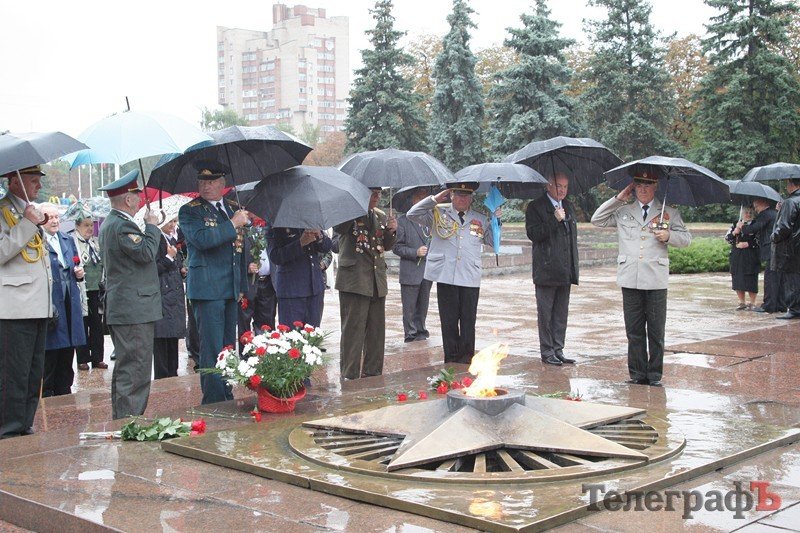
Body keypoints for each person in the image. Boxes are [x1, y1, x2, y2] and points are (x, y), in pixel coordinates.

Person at [591, 172, 691, 386]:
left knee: (656, 331)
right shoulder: (623, 212)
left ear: (656, 186)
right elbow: (596, 219)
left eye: (648, 184)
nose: (643, 189)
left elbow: (686, 239)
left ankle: (654, 375)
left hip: (655, 279)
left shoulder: (668, 213)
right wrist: (619, 197)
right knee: (634, 330)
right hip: (630, 278)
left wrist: (669, 236)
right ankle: (637, 373)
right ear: (633, 187)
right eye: (639, 184)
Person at [178, 161, 249, 403]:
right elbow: (203, 240)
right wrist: (232, 224)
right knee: (211, 348)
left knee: (228, 346)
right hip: (207, 289)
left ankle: (226, 392)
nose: (206, 186)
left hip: (230, 289)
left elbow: (239, 250)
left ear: (222, 184)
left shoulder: (231, 208)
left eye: (211, 182)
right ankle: (213, 399)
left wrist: (242, 287)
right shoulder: (190, 211)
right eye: (202, 182)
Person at [407, 183, 497, 364]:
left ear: (471, 197)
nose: (462, 199)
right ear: (451, 195)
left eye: (466, 195)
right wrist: (434, 199)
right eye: (458, 195)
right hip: (446, 274)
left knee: (468, 321)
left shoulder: (480, 218)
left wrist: (497, 222)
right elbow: (412, 214)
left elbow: (494, 243)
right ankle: (451, 359)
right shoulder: (438, 214)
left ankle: (467, 359)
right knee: (448, 321)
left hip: (469, 275)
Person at [98, 170, 162, 419]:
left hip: (129, 307)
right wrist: (152, 227)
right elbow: (146, 253)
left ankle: (125, 418)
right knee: (136, 368)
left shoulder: (113, 223)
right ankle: (129, 421)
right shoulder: (122, 225)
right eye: (136, 195)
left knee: (130, 367)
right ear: (128, 200)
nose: (140, 200)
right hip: (133, 308)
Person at [0, 166, 52, 438]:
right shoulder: (3, 211)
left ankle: (24, 424)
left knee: (33, 374)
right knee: (13, 375)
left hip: (37, 304)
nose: (38, 186)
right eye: (33, 181)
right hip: (14, 307)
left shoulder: (31, 210)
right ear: (13, 182)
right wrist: (28, 223)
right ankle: (8, 429)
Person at [333, 188, 397, 380]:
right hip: (354, 280)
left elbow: (384, 245)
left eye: (379, 194)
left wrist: (392, 231)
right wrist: (356, 207)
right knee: (353, 331)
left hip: (376, 280)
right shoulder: (347, 212)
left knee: (376, 332)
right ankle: (350, 374)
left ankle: (373, 372)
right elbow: (339, 229)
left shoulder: (379, 215)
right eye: (373, 194)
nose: (377, 198)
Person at [525, 173, 579, 366]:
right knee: (546, 314)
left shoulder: (568, 206)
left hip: (565, 270)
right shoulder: (536, 207)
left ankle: (558, 349)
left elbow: (570, 239)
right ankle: (547, 351)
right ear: (548, 185)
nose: (562, 190)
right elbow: (534, 234)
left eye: (565, 186)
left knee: (561, 313)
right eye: (558, 186)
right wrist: (553, 220)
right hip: (546, 270)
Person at [40, 202, 86, 396]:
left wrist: (80, 274)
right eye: (50, 217)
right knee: (51, 353)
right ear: (41, 220)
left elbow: (75, 262)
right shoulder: (38, 240)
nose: (55, 220)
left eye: (57, 217)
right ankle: (48, 394)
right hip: (51, 302)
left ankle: (64, 392)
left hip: (70, 300)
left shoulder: (66, 239)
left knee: (68, 351)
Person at [268, 226, 332, 328]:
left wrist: (319, 235)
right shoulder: (277, 224)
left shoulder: (311, 220)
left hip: (315, 288)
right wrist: (301, 243)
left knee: (313, 337)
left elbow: (327, 247)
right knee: (293, 338)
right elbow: (275, 257)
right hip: (292, 291)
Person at [392, 187, 433, 343]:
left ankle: (421, 330)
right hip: (410, 271)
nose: (423, 199)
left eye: (426, 197)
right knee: (409, 307)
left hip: (427, 271)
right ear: (412, 200)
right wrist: (415, 252)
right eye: (420, 197)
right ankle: (410, 333)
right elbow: (396, 247)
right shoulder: (403, 221)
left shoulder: (431, 219)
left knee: (423, 305)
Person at [71, 209, 107, 370]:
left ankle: (98, 358)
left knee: (97, 325)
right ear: (77, 226)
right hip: (80, 290)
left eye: (91, 225)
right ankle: (82, 358)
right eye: (85, 225)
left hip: (96, 289)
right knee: (82, 324)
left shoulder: (95, 242)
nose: (89, 228)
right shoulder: (72, 242)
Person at [153, 217, 187, 379]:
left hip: (174, 295)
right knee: (161, 337)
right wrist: (169, 258)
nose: (173, 226)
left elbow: (176, 264)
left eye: (175, 222)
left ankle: (172, 373)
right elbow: (153, 268)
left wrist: (182, 269)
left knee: (172, 336)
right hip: (162, 294)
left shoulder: (172, 239)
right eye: (170, 222)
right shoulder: (156, 240)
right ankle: (162, 376)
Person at [239, 225, 277, 350]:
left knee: (267, 323)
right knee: (244, 322)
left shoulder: (271, 228)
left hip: (268, 283)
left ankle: (266, 355)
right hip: (248, 283)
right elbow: (233, 257)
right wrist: (246, 267)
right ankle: (246, 355)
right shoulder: (240, 229)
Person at [743, 198, 781, 313]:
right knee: (777, 278)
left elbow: (753, 229)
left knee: (770, 278)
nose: (755, 208)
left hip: (771, 250)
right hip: (777, 249)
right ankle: (779, 305)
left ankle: (768, 305)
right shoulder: (774, 213)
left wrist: (743, 226)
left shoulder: (765, 214)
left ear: (763, 202)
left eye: (756, 205)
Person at [771, 177, 800, 320]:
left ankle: (794, 309)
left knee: (792, 279)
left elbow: (784, 227)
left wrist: (773, 237)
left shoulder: (790, 202)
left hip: (792, 248)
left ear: (791, 185)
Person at [725, 208, 760, 310]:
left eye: (750, 213)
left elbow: (760, 240)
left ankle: (752, 303)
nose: (748, 214)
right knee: (738, 278)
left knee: (751, 278)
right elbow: (727, 239)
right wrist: (735, 232)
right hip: (737, 256)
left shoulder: (756, 224)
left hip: (751, 255)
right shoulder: (735, 224)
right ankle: (742, 302)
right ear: (742, 213)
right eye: (746, 213)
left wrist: (748, 244)